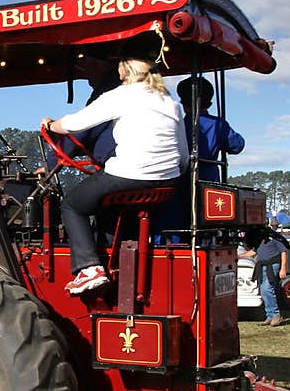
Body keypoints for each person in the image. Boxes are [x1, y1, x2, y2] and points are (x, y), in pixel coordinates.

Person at [41, 34, 188, 294]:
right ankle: (116, 255)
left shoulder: (122, 95)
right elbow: (184, 155)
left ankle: (89, 269)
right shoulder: (170, 101)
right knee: (106, 205)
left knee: (73, 204)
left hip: (131, 175)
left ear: (124, 67)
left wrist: (51, 125)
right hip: (168, 181)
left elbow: (75, 125)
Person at [176, 76, 245, 182]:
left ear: (184, 104)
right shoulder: (218, 124)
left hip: (180, 179)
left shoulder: (177, 125)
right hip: (209, 181)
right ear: (209, 104)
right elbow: (237, 146)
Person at [243, 226, 289, 326]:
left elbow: (283, 252)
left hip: (272, 265)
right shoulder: (258, 240)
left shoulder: (274, 239)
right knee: (263, 290)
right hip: (262, 265)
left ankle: (276, 315)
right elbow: (252, 252)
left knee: (267, 288)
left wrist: (283, 268)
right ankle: (270, 316)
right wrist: (238, 256)